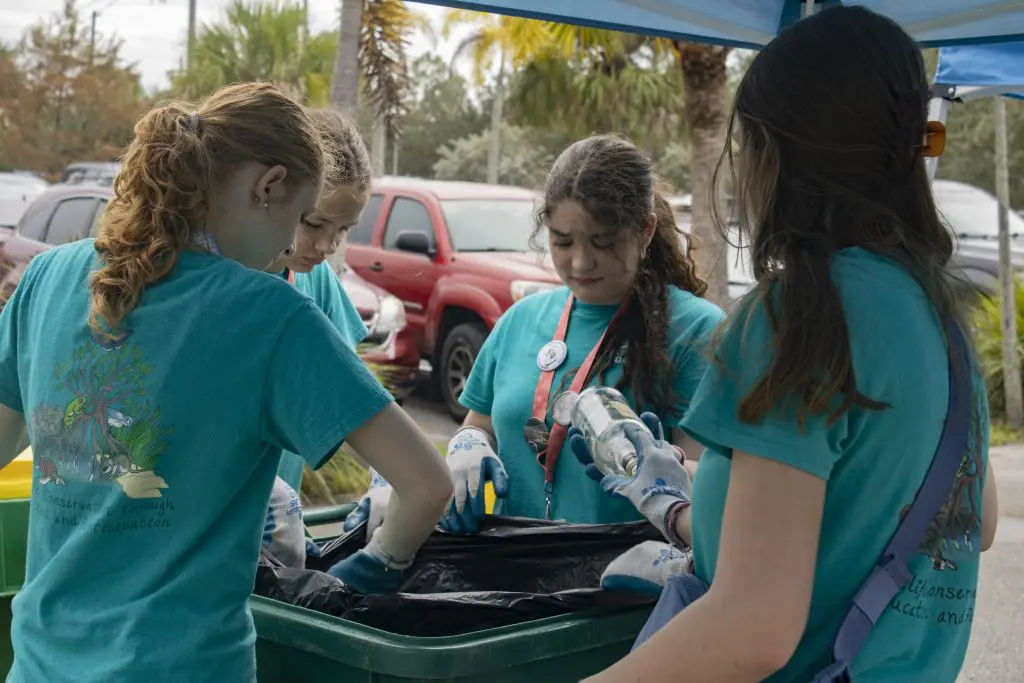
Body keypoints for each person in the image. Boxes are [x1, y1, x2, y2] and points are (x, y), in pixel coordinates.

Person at [576, 7, 999, 682]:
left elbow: (756, 627)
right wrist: (698, 514)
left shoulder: (800, 316)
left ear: (772, 154)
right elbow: (970, 521)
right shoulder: (939, 315)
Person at [0, 82, 452, 683]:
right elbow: (426, 484)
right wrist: (372, 567)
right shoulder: (271, 315)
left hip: (38, 663)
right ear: (268, 187)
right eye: (296, 220)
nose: (290, 248)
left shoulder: (47, 277)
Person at [344, 133, 724, 540]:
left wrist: (657, 467)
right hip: (517, 578)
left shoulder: (696, 331)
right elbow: (481, 424)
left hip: (624, 587)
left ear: (646, 231)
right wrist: (469, 444)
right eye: (562, 241)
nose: (580, 261)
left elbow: (717, 492)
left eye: (603, 243)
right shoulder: (522, 319)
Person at [261, 107, 374, 567]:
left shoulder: (315, 280)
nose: (327, 247)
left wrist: (388, 474)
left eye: (342, 231)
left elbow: (353, 398)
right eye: (314, 224)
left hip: (273, 532)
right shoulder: (214, 280)